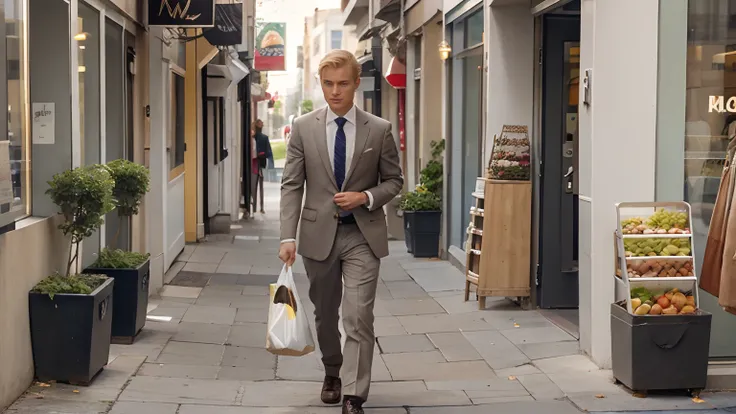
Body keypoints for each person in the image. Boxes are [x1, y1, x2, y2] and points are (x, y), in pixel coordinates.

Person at [279, 49, 403, 414]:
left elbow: (394, 180)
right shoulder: (303, 127)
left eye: (343, 84)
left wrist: (365, 196)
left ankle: (353, 393)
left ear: (356, 83)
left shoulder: (378, 129)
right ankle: (332, 370)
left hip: (362, 235)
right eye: (329, 84)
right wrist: (288, 236)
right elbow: (291, 185)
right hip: (318, 237)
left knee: (358, 315)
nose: (335, 91)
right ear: (321, 83)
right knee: (325, 312)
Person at [252, 119, 272, 214]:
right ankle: (261, 207)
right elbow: (268, 153)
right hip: (261, 163)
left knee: (254, 186)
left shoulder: (252, 137)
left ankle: (255, 207)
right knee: (260, 186)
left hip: (254, 163)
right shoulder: (264, 138)